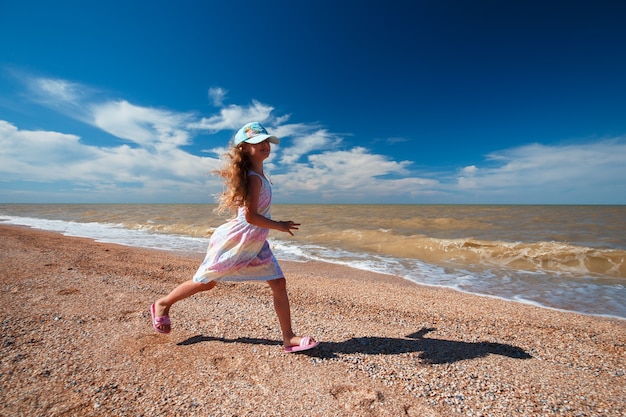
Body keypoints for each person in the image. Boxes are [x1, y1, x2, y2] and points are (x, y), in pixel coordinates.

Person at [150, 121, 319, 353]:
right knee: (206, 282)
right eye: (257, 142)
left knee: (278, 283)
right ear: (244, 148)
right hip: (240, 239)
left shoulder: (260, 175)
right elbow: (250, 217)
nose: (265, 145)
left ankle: (288, 338)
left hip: (256, 241)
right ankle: (163, 303)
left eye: (266, 141)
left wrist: (270, 226)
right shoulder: (253, 177)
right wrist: (278, 225)